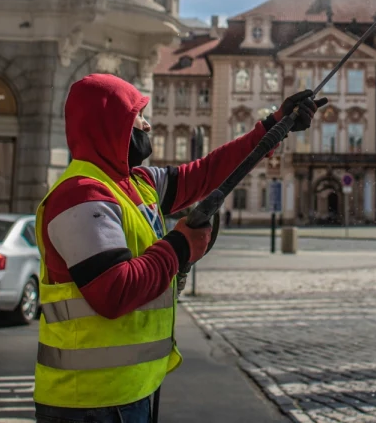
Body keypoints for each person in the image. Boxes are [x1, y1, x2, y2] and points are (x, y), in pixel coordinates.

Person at [34, 74, 325, 423]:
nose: (147, 124)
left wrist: (276, 126)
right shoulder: (81, 195)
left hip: (128, 389)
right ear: (112, 124)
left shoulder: (136, 183)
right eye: (137, 116)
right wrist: (180, 246)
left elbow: (206, 173)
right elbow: (114, 291)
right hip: (88, 402)